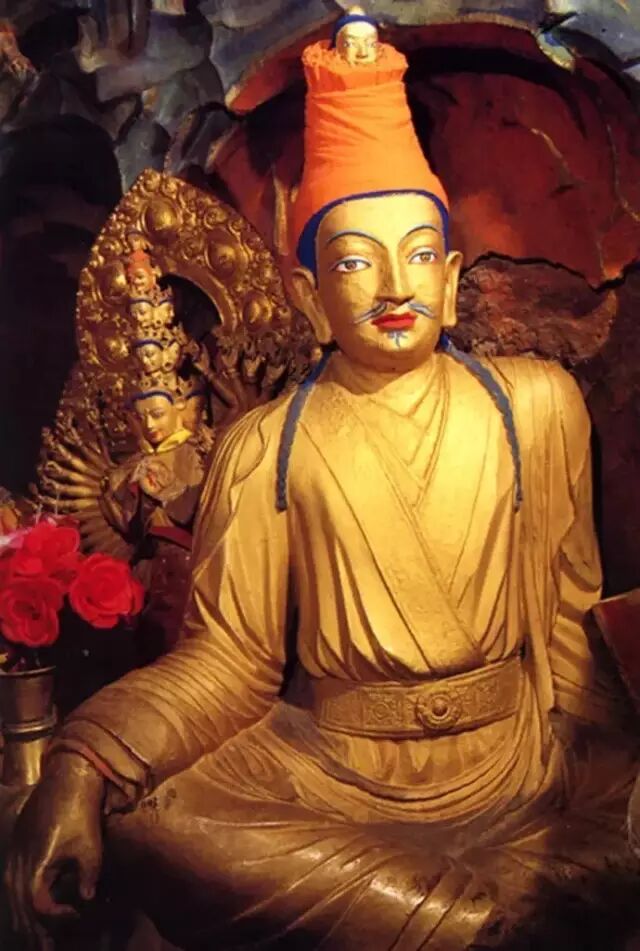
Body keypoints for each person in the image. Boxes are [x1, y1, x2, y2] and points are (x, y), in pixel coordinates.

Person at [5, 10, 640, 950]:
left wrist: (596, 788)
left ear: (451, 279)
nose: (394, 286)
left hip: (520, 764)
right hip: (335, 779)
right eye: (355, 261)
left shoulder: (536, 408)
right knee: (151, 827)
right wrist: (80, 762)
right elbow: (229, 662)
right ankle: (496, 915)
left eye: (418, 255)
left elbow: (571, 629)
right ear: (308, 297)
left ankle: (503, 902)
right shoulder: (267, 447)